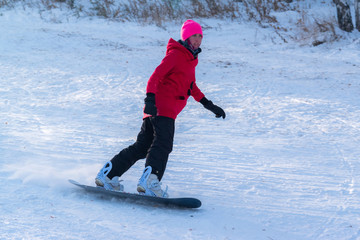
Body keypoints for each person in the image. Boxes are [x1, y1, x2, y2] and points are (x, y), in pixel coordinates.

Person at [95, 19, 226, 198]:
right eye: (194, 35)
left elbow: (191, 86)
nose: (197, 39)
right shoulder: (177, 55)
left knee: (142, 146)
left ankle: (108, 175)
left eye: (200, 36)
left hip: (158, 108)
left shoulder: (189, 59)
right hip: (162, 107)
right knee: (163, 144)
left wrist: (208, 104)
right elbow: (155, 76)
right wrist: (150, 98)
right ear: (186, 37)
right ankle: (150, 182)